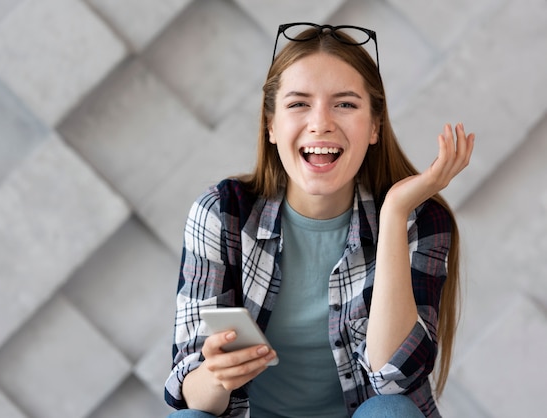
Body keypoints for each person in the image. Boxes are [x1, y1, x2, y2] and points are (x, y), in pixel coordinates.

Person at [164, 22, 475, 418]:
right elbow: (190, 396)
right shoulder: (223, 213)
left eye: (345, 104)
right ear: (271, 126)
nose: (321, 122)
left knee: (391, 412)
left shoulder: (420, 220)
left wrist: (395, 213)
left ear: (375, 126)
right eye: (298, 104)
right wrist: (216, 374)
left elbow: (393, 379)